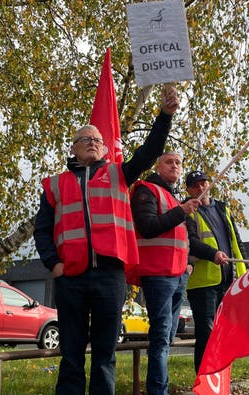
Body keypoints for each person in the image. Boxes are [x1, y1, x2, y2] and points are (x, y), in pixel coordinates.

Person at [33, 85, 180, 395]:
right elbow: (42, 230)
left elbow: (150, 151)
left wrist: (164, 116)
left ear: (104, 148)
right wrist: (53, 264)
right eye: (85, 139)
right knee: (71, 357)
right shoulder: (54, 185)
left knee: (104, 358)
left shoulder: (119, 174)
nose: (92, 143)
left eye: (97, 140)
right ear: (73, 148)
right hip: (70, 278)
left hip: (109, 278)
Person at [130, 151, 201, 395]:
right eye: (169, 162)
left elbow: (186, 238)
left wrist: (188, 265)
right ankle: (158, 391)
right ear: (159, 167)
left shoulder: (173, 198)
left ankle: (160, 388)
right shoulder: (146, 190)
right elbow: (147, 227)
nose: (175, 166)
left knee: (166, 338)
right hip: (158, 275)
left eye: (178, 163)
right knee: (161, 338)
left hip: (178, 275)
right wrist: (181, 211)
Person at [184, 169, 248, 373]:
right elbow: (191, 242)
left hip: (228, 280)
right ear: (189, 190)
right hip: (203, 282)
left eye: (204, 183)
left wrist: (246, 270)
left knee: (223, 333)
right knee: (206, 334)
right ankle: (203, 380)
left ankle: (219, 377)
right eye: (195, 185)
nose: (201, 188)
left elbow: (236, 241)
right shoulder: (187, 210)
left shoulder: (222, 208)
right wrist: (213, 253)